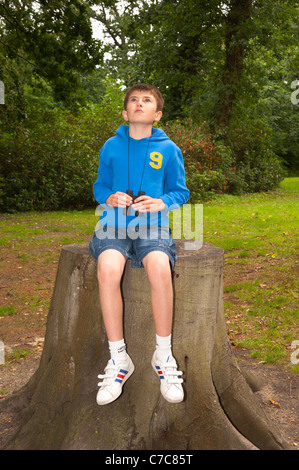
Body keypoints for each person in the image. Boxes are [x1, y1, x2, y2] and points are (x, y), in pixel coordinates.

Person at [89, 83, 189, 405]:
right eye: (133, 100)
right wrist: (108, 196)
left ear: (157, 114)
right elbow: (99, 185)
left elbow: (180, 191)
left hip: (153, 227)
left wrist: (161, 203)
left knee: (159, 266)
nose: (139, 103)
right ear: (125, 112)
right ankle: (119, 358)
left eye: (147, 100)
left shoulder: (169, 149)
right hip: (114, 226)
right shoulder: (110, 147)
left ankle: (163, 356)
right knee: (107, 267)